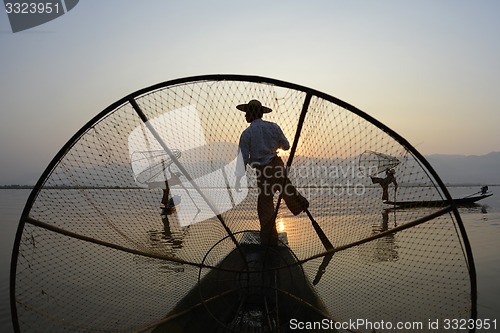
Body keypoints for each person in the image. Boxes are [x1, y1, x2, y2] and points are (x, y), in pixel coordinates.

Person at [235, 99, 309, 246]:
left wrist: (238, 179)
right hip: (277, 166)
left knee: (265, 207)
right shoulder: (273, 127)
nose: (244, 116)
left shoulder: (247, 134)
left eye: (246, 113)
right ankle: (302, 204)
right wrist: (273, 144)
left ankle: (269, 241)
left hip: (263, 173)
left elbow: (242, 160)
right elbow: (286, 146)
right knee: (289, 193)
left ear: (251, 114)